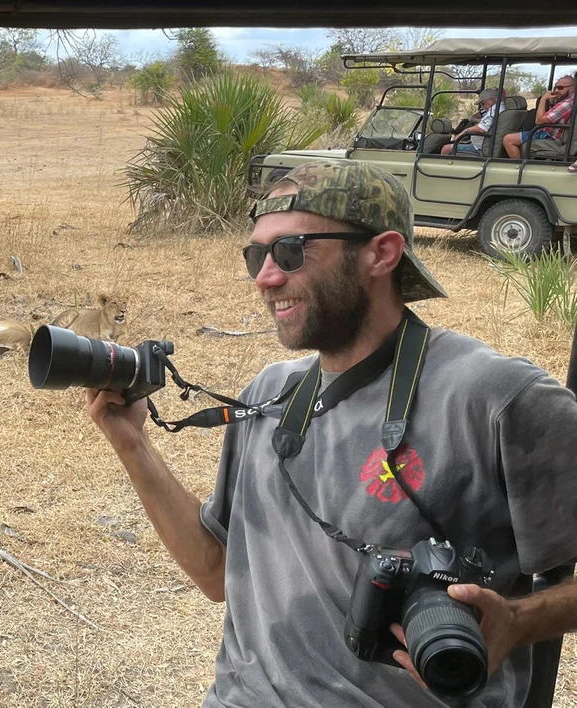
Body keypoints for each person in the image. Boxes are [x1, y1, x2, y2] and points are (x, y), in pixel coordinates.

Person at [85, 159, 577, 707]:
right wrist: (132, 443)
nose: (266, 277)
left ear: (381, 254)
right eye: (257, 256)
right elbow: (218, 573)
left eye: (291, 252)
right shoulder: (269, 394)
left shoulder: (496, 398)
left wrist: (517, 619)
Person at [503, 75, 575, 159]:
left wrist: (543, 99)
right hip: (551, 133)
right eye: (555, 87)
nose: (556, 90)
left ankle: (517, 167)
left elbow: (539, 120)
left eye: (560, 88)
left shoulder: (567, 104)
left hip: (549, 135)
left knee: (508, 140)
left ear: (572, 88)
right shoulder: (570, 101)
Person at [441, 88, 502, 156]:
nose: (482, 106)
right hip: (483, 143)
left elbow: (482, 129)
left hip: (480, 147)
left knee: (446, 148)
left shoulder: (495, 110)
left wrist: (465, 131)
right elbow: (473, 118)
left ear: (491, 100)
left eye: (483, 103)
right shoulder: (500, 108)